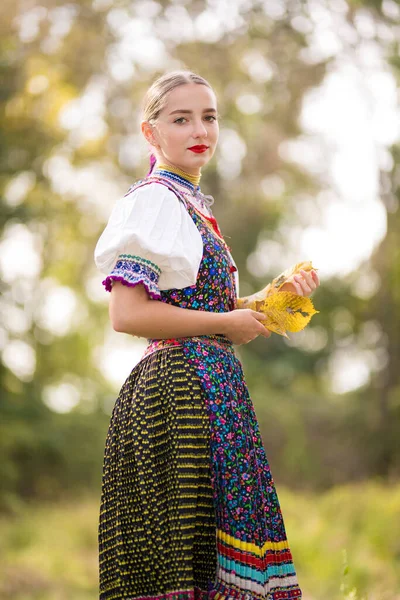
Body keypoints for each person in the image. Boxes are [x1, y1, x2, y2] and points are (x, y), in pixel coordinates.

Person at [94, 70, 319, 600]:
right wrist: (224, 322)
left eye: (209, 117)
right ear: (151, 134)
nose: (201, 129)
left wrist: (273, 299)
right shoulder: (154, 201)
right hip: (175, 397)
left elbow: (206, 312)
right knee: (184, 567)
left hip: (213, 392)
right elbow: (127, 313)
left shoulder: (193, 206)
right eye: (181, 118)